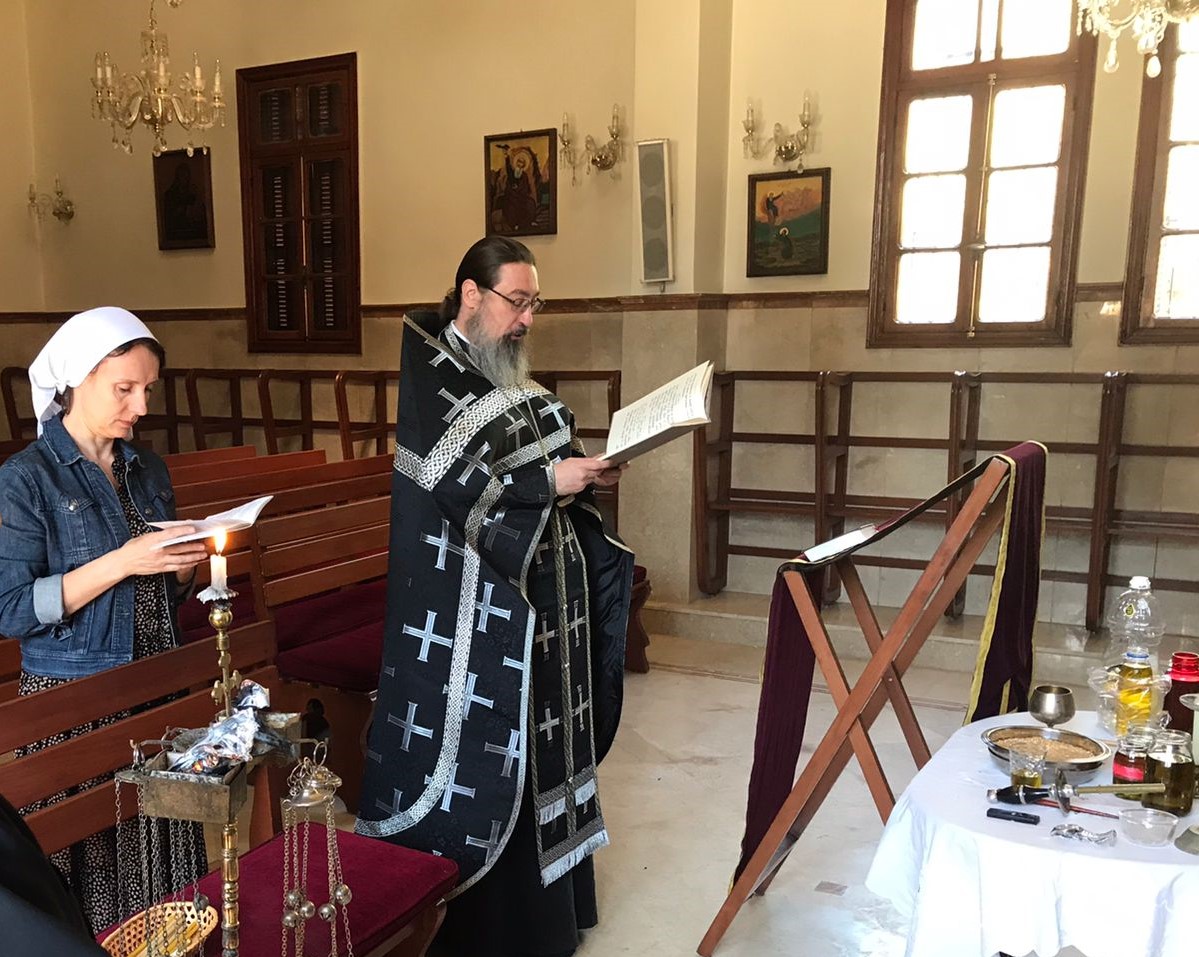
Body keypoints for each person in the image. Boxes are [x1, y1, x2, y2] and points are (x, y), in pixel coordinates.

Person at [356, 237, 634, 957]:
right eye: (517, 302)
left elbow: (526, 460)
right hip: (465, 613)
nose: (527, 320)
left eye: (535, 304)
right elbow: (460, 492)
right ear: (471, 295)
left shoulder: (503, 378)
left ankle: (555, 915)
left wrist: (581, 474)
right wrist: (550, 482)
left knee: (545, 743)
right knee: (495, 755)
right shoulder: (433, 383)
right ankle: (500, 929)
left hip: (541, 599)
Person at [0, 307, 209, 933]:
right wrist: (123, 562)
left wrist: (183, 567)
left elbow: (161, 592)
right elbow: (11, 609)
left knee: (167, 862)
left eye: (147, 389)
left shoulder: (147, 469)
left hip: (157, 683)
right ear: (78, 379)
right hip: (77, 698)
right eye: (125, 388)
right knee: (98, 872)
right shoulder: (24, 479)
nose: (140, 406)